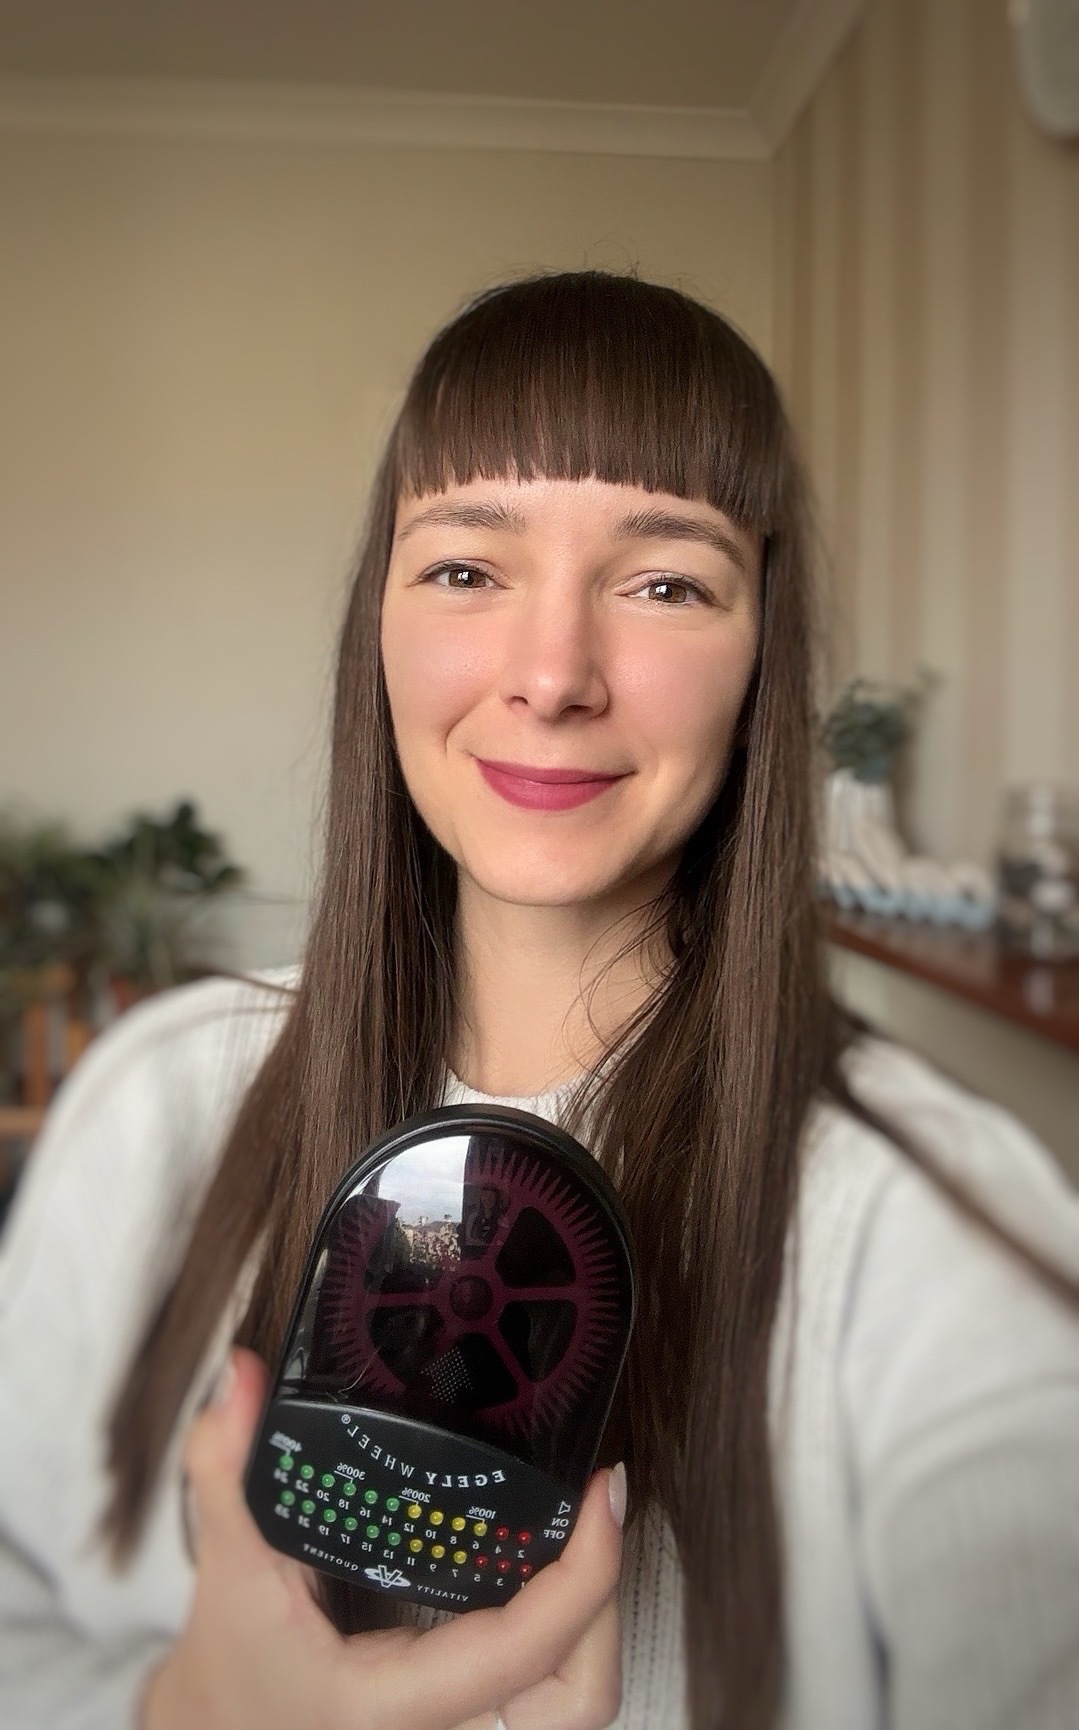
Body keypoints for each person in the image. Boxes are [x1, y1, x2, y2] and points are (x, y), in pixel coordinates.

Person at [1, 271, 1078, 1730]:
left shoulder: (937, 1231)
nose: (554, 674)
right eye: (466, 568)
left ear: (763, 652)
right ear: (377, 619)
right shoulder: (155, 1101)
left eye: (667, 582)